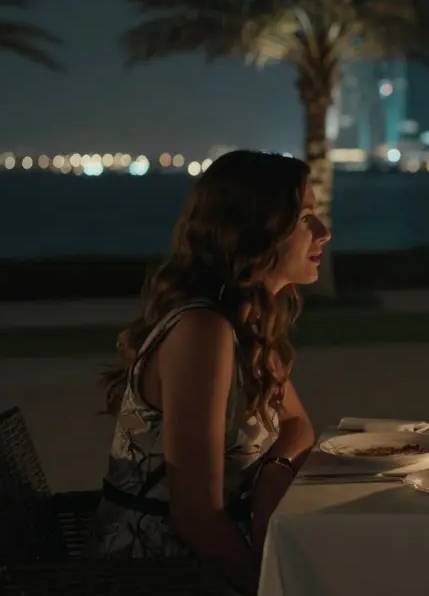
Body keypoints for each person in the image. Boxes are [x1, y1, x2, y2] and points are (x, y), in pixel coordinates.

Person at [94, 149, 328, 595]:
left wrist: (274, 472)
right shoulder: (204, 331)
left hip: (212, 553)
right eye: (304, 218)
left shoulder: (245, 319)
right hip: (162, 569)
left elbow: (297, 424)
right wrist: (268, 588)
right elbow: (196, 517)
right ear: (255, 230)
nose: (324, 232)